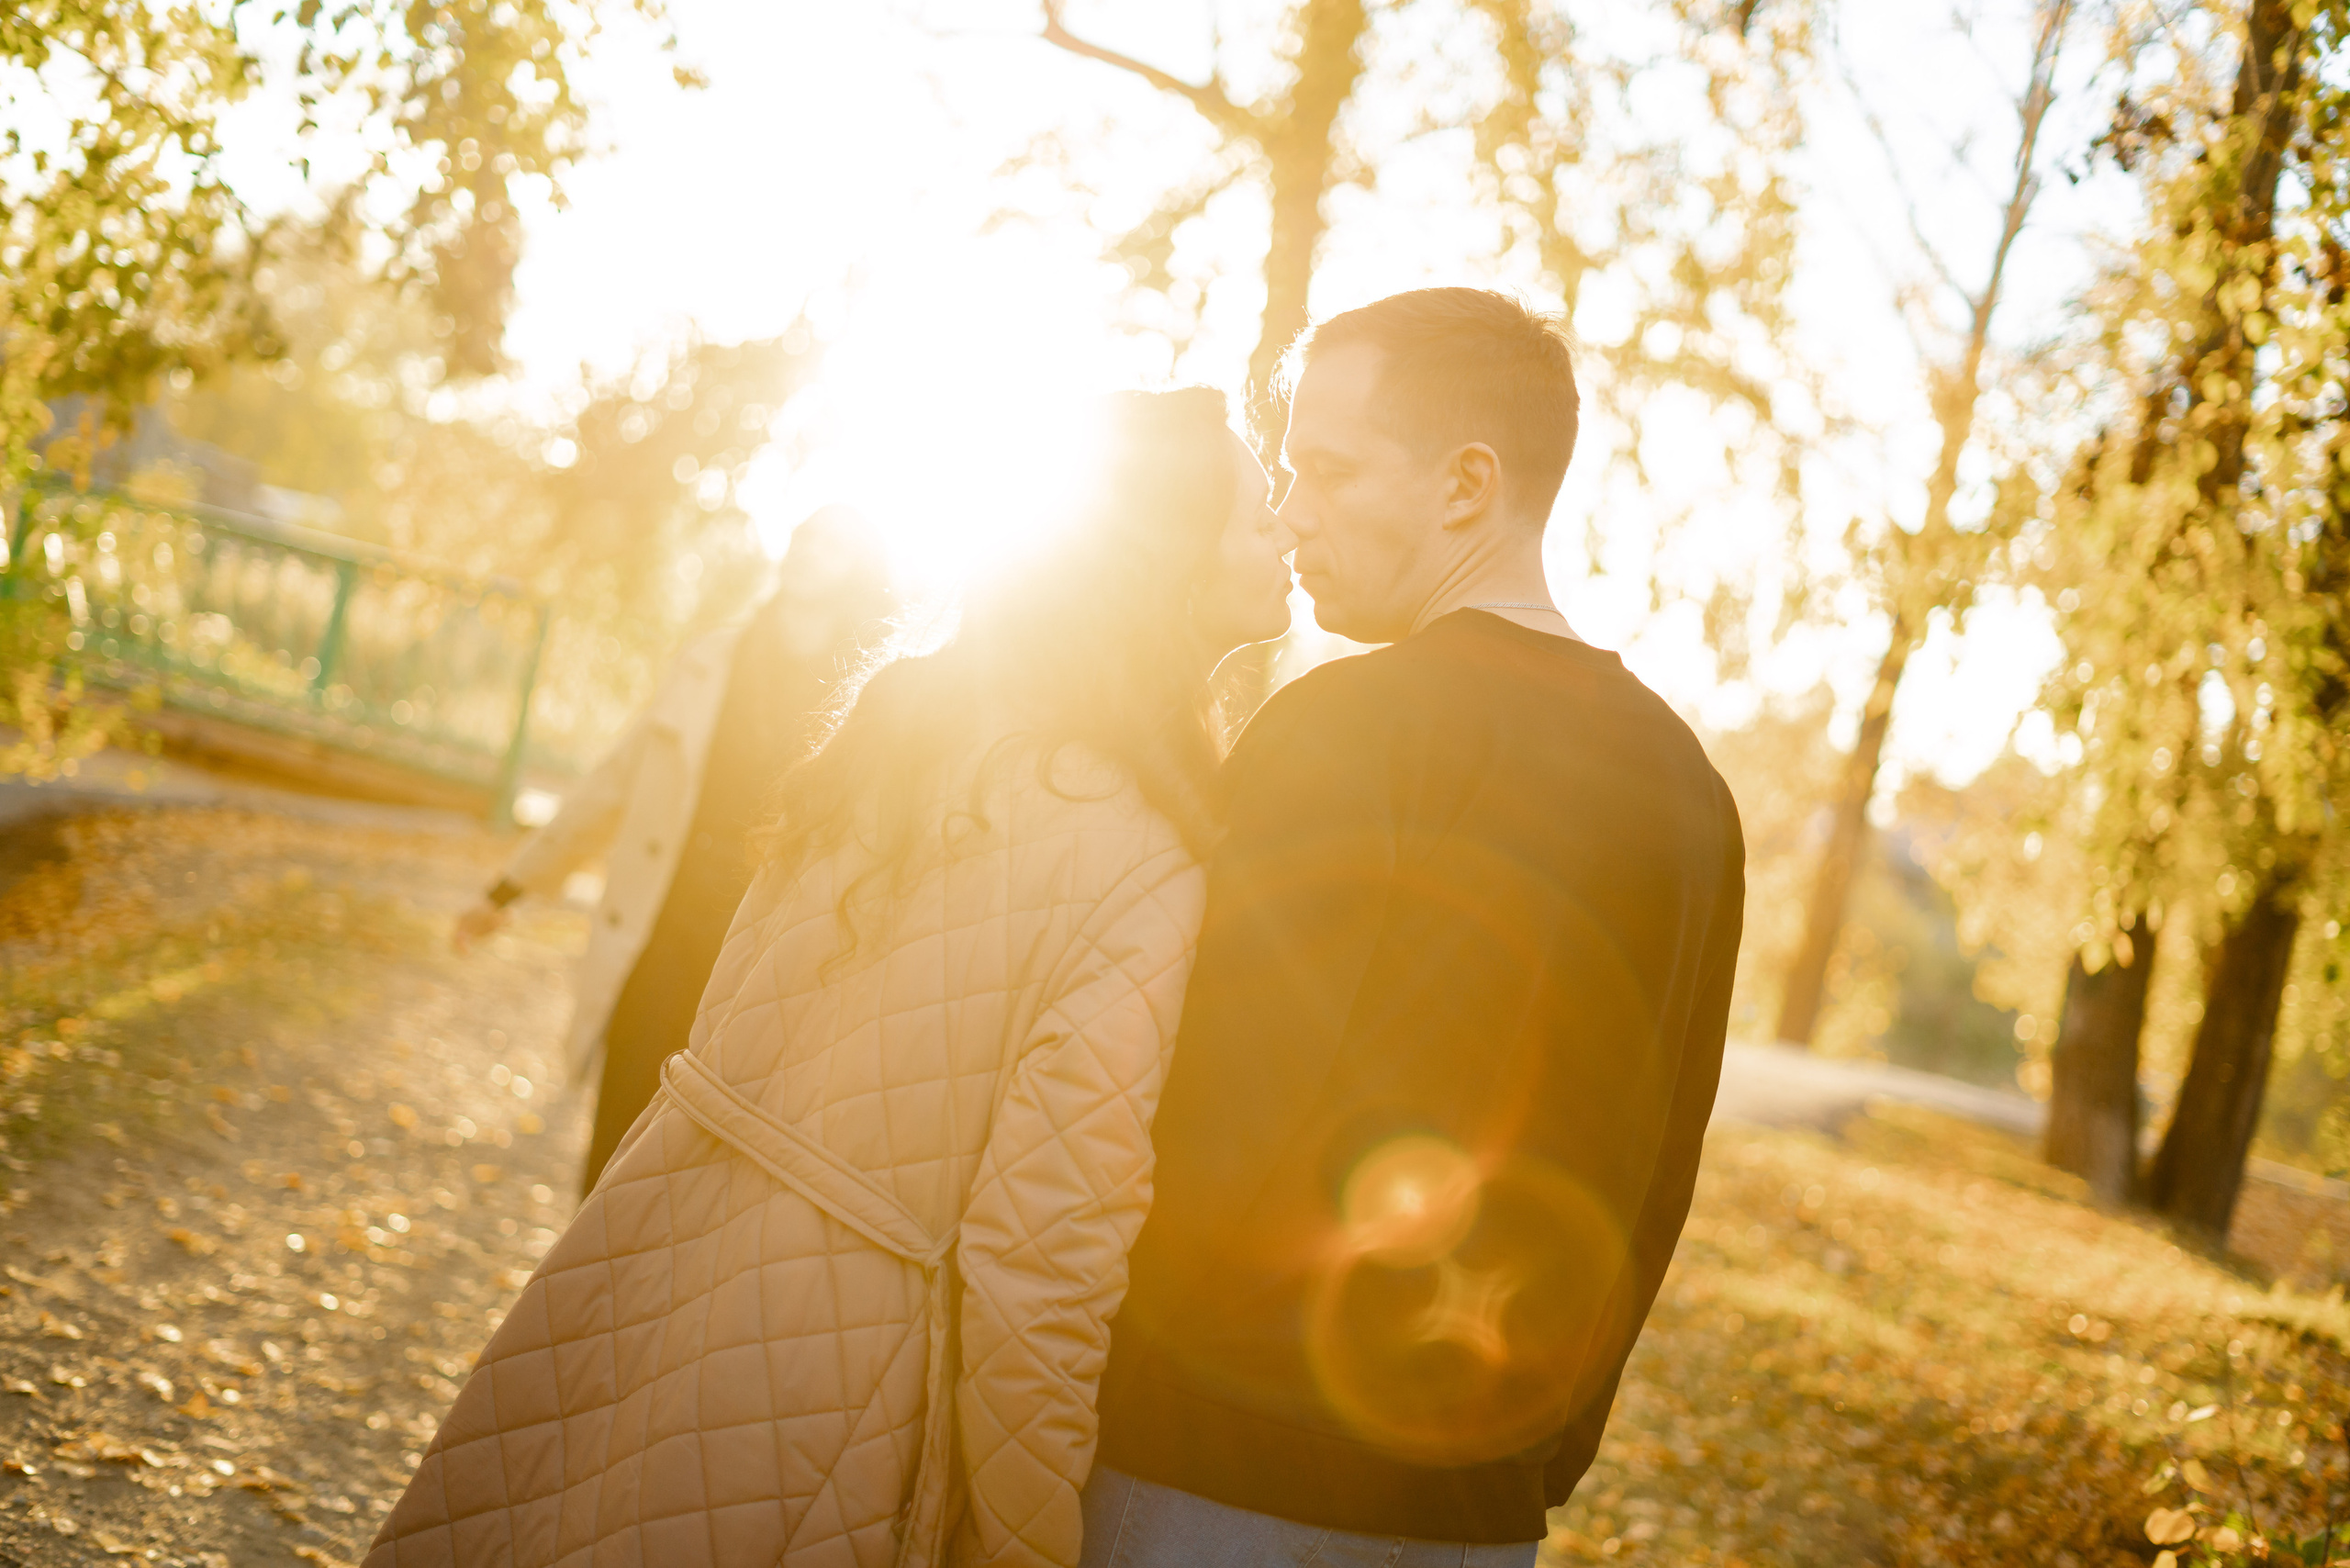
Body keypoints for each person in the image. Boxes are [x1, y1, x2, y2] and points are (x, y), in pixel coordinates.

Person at [367, 388, 1296, 1568]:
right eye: (1258, 512)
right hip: (836, 1377)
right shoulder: (1149, 853)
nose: (1285, 536)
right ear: (1168, 560)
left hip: (646, 1248)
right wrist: (1026, 1546)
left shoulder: (898, 728)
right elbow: (1041, 1256)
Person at [1089, 289, 1747, 1565]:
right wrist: (1534, 1460)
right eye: (1284, 473)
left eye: (1327, 470)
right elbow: (1659, 1175)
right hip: (1475, 1518)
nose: (1290, 512)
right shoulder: (1692, 796)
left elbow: (1206, 1113)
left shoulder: (1340, 731)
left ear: (1466, 485)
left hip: (1211, 1474)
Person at [451, 507, 896, 1192]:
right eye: (805, 535)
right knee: (619, 1137)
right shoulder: (707, 663)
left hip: (770, 956)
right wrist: (508, 890)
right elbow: (613, 785)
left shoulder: (871, 695)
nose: (811, 550)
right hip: (664, 935)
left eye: (834, 543)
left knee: (711, 1173)